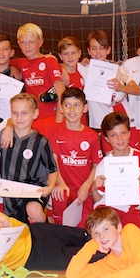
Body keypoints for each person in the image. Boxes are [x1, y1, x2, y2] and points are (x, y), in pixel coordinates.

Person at [0, 182, 92, 278]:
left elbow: (24, 229)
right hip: (31, 258)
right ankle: (104, 255)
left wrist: (9, 225)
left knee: (80, 235)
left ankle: (103, 239)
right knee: (81, 257)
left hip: (36, 234)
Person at [0, 93, 58, 224]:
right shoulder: (2, 135)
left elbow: (52, 169)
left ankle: (45, 226)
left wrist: (50, 187)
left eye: (24, 113)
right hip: (9, 193)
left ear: (35, 114)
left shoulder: (41, 142)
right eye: (15, 113)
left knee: (33, 210)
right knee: (14, 225)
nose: (19, 118)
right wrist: (8, 127)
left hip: (33, 190)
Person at [90, 112, 140, 233]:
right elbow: (97, 199)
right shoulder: (104, 164)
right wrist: (94, 188)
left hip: (134, 211)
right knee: (109, 234)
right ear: (106, 139)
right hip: (109, 211)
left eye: (123, 133)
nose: (120, 139)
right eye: (113, 135)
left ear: (129, 133)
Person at [47, 88, 102, 225]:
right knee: (59, 196)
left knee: (83, 229)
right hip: (63, 188)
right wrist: (60, 182)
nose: (72, 110)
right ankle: (55, 222)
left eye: (77, 105)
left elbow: (96, 164)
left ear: (85, 108)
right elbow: (53, 160)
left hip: (83, 191)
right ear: (61, 108)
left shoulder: (92, 136)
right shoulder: (54, 131)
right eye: (67, 105)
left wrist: (87, 185)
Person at [82, 30, 131, 152]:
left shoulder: (118, 69)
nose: (98, 52)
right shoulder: (83, 68)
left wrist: (121, 88)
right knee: (104, 158)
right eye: (94, 48)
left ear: (108, 50)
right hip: (97, 122)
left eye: (102, 48)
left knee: (121, 155)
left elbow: (135, 89)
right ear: (88, 51)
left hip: (117, 120)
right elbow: (65, 65)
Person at [13, 23, 66, 122]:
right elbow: (1, 62)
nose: (27, 46)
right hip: (31, 120)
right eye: (23, 42)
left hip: (51, 118)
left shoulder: (50, 62)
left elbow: (62, 95)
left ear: (40, 42)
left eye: (31, 42)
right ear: (19, 44)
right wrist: (12, 67)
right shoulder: (20, 63)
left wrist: (58, 124)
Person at [0, 34, 24, 126]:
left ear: (12, 53)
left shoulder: (17, 78)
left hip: (11, 127)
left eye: (5, 49)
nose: (1, 52)